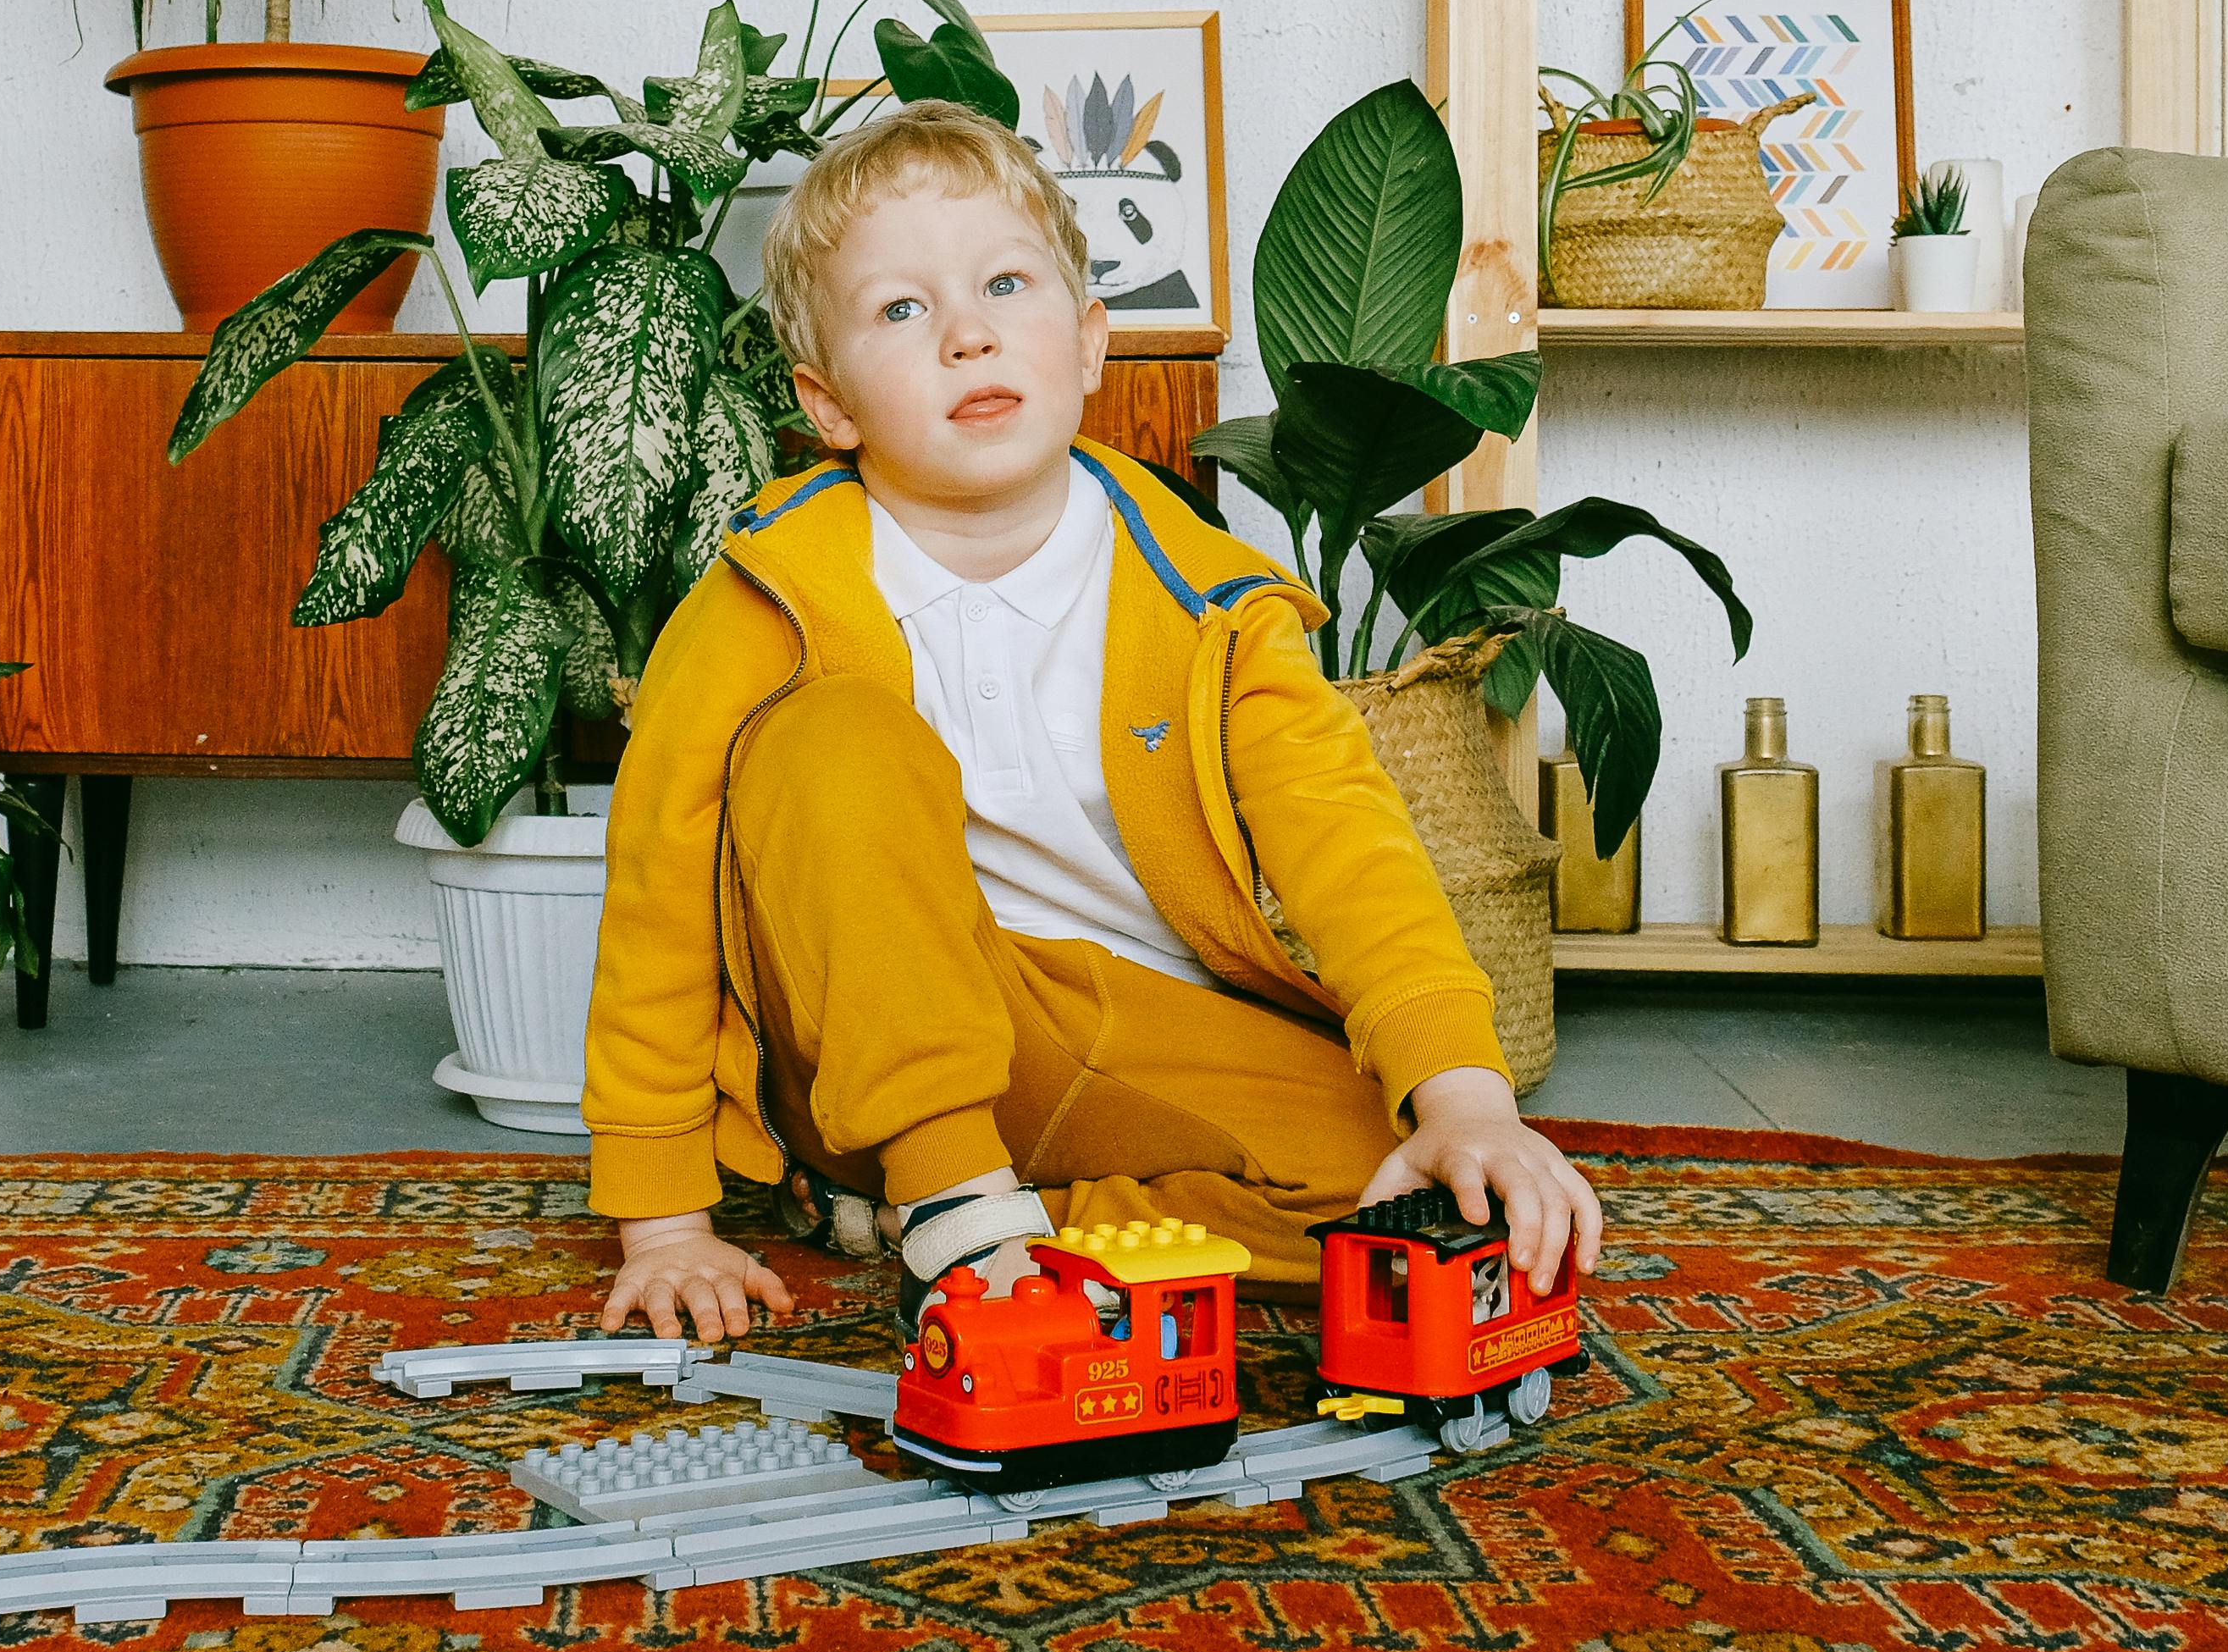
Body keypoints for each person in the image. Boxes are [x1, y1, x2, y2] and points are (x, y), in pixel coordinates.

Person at [583, 98, 1601, 1343]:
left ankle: (990, 1224)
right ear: (829, 403)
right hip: (882, 1023)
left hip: (1133, 1024)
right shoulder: (766, 593)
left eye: (1005, 285)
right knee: (827, 738)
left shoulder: (1213, 597)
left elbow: (1350, 846)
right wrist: (664, 1220)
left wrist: (1467, 1097)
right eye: (901, 311)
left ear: (1087, 344)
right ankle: (942, 1171)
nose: (965, 334)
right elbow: (658, 886)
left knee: (1410, 1188)